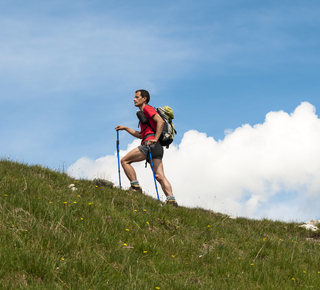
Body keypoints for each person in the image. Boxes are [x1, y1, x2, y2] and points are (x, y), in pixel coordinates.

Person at [115, 89, 178, 207]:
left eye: (137, 97)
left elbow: (160, 121)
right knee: (159, 175)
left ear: (144, 99)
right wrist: (125, 128)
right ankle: (171, 200)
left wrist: (154, 138)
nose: (134, 99)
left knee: (125, 160)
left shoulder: (147, 109)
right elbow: (141, 135)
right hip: (157, 146)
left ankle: (135, 187)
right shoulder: (144, 116)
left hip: (150, 144)